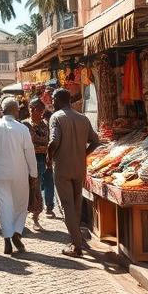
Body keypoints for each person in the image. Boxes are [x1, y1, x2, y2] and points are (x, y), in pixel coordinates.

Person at [0, 96, 37, 254]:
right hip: (19, 173)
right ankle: (17, 233)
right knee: (20, 205)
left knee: (4, 206)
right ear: (15, 110)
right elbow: (30, 154)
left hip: (0, 173)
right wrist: (33, 173)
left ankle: (7, 239)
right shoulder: (22, 129)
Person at [48, 88, 99, 258]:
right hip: (79, 167)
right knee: (76, 204)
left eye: (53, 98)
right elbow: (95, 141)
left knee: (67, 205)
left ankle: (77, 246)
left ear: (58, 99)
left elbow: (53, 142)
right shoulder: (83, 118)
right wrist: (83, 153)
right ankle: (76, 239)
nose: (52, 102)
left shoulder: (56, 117)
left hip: (62, 166)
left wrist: (49, 157)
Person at [24, 96, 55, 228]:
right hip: (27, 160)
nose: (32, 110)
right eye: (30, 108)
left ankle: (38, 213)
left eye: (35, 108)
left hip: (43, 159)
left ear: (41, 110)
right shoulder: (24, 124)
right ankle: (28, 216)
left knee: (42, 185)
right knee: (30, 188)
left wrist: (47, 153)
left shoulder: (45, 125)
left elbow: (49, 142)